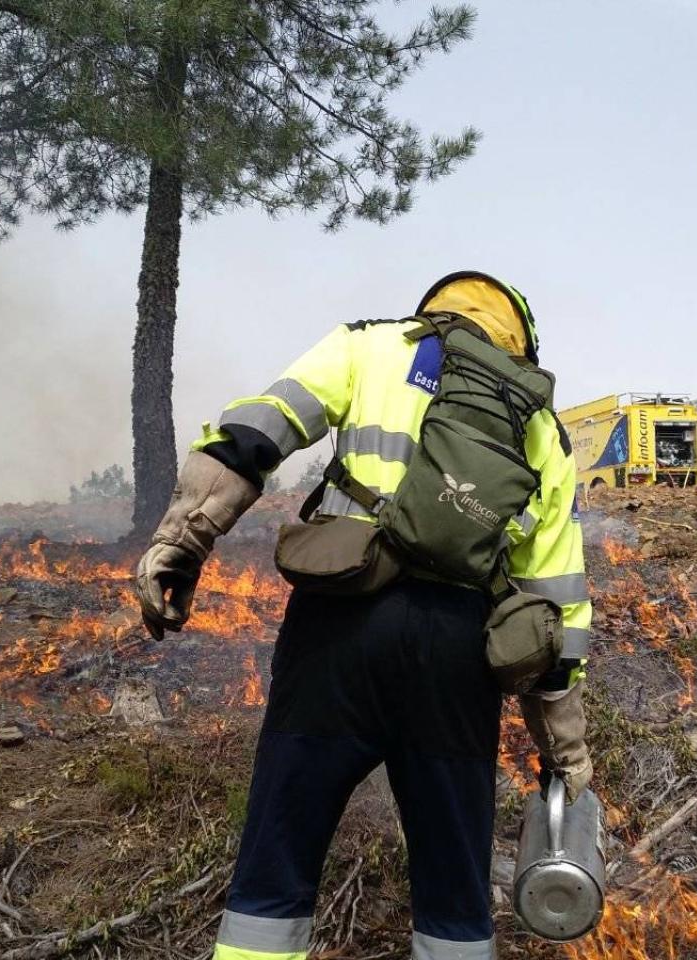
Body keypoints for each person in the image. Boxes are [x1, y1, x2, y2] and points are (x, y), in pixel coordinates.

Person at [132, 272, 592, 960]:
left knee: (277, 859)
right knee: (454, 889)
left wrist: (185, 538)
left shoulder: (371, 346)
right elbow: (554, 594)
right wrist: (564, 747)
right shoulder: (540, 423)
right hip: (457, 653)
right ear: (520, 340)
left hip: (336, 628)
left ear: (433, 310)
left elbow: (256, 433)